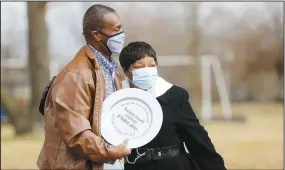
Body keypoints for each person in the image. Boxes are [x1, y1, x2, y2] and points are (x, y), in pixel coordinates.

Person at [37, 4, 131, 170]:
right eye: (116, 29)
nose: (121, 35)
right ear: (97, 35)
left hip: (105, 161)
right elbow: (77, 135)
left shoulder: (110, 68)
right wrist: (110, 151)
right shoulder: (75, 76)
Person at [119, 41, 227, 170]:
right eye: (140, 66)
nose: (147, 70)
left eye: (151, 65)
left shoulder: (175, 96)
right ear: (126, 71)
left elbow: (197, 140)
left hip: (175, 165)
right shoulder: (116, 100)